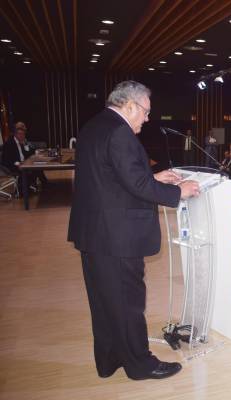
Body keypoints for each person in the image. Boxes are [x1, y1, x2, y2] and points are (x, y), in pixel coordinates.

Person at [68, 81, 200, 380]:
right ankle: (141, 364)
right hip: (118, 237)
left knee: (105, 302)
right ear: (130, 105)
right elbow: (134, 184)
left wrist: (155, 177)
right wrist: (179, 190)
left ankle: (109, 358)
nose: (148, 118)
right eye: (146, 111)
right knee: (128, 303)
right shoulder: (120, 132)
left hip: (95, 232)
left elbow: (114, 179)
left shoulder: (95, 126)